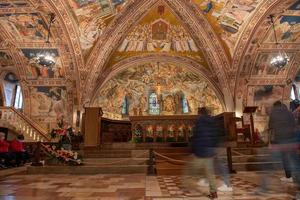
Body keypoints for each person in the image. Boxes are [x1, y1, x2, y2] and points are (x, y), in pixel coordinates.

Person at [184, 107, 219, 199]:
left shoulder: (199, 122)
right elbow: (216, 136)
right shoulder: (212, 121)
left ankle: (185, 189)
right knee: (210, 173)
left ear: (200, 113)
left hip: (200, 151)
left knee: (189, 171)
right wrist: (214, 148)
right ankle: (214, 192)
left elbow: (196, 136)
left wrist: (191, 150)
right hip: (210, 150)